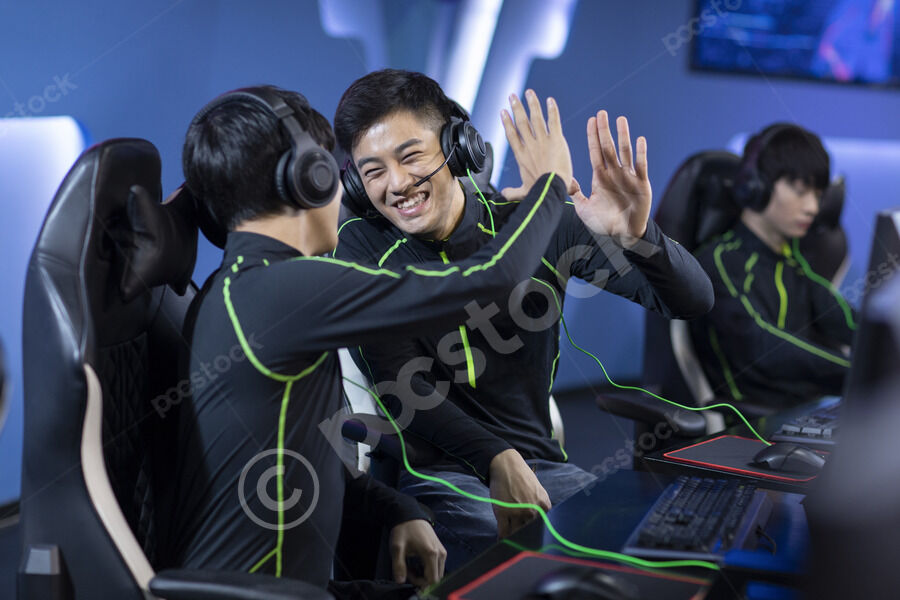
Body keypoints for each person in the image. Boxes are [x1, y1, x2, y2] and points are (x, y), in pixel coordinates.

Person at [166, 84, 575, 593]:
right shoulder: (283, 290)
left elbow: (299, 461)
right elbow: (491, 278)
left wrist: (399, 509)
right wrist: (550, 185)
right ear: (311, 177)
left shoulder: (237, 289)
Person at [332, 69, 715, 571]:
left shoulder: (528, 223)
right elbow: (401, 386)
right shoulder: (363, 245)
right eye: (374, 171)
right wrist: (497, 458)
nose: (397, 184)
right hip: (441, 479)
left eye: (411, 156)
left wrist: (641, 237)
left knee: (663, 554)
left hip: (544, 468)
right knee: (557, 568)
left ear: (457, 146)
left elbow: (694, 300)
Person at [690, 123, 856, 409]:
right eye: (801, 190)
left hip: (806, 412)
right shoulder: (718, 263)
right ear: (756, 186)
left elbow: (845, 321)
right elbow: (765, 349)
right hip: (753, 423)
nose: (813, 208)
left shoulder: (791, 263)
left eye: (818, 194)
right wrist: (862, 376)